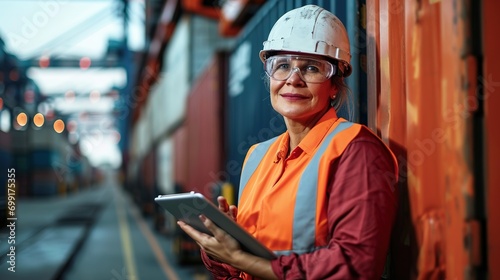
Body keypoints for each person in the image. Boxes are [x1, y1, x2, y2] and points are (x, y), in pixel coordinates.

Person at [178, 4, 398, 279]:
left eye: (311, 68)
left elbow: (355, 267)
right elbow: (236, 270)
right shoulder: (257, 156)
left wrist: (242, 260)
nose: (293, 80)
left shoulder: (356, 151)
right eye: (282, 66)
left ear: (334, 86)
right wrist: (223, 249)